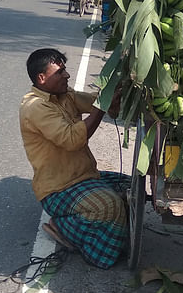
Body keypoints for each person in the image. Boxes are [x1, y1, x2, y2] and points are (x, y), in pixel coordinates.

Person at [19, 48, 128, 269]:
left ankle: (97, 227)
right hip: (59, 187)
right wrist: (102, 107)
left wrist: (116, 93)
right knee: (110, 205)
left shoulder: (64, 95)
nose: (67, 75)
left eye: (65, 70)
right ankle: (63, 227)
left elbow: (92, 101)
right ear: (42, 78)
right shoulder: (35, 107)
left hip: (84, 175)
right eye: (60, 72)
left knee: (130, 187)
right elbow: (72, 140)